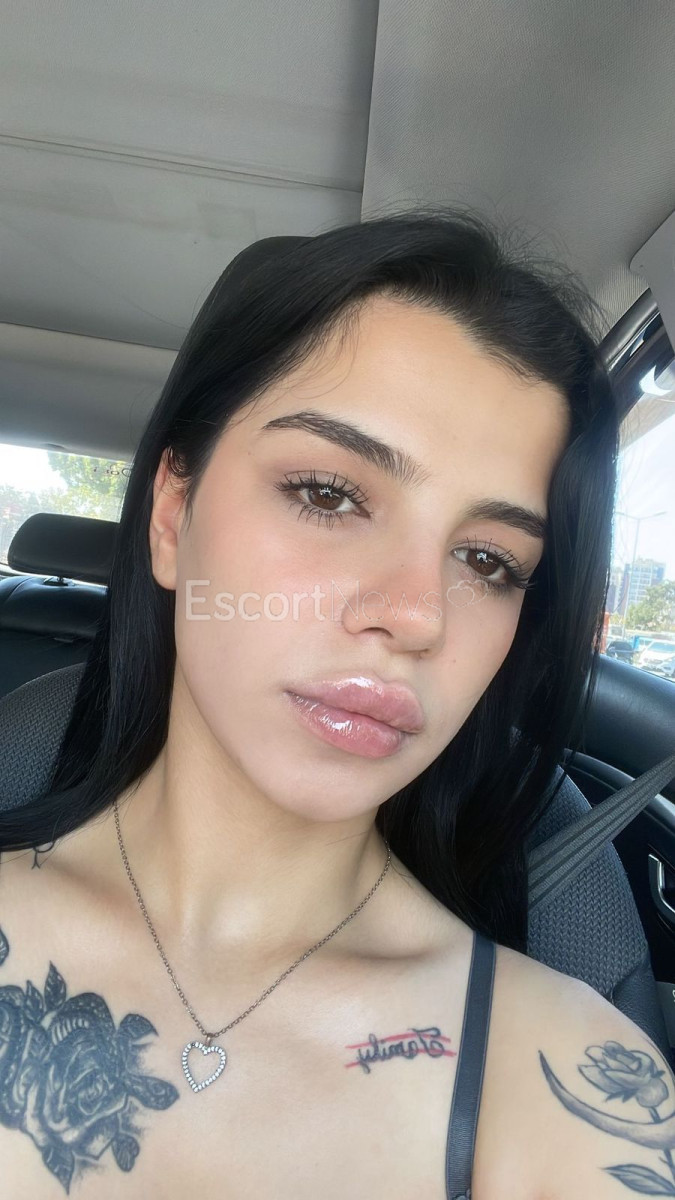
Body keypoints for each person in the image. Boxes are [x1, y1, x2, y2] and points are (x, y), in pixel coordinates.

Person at [0, 207, 673, 1199]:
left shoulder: (566, 1086)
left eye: (488, 561)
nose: (417, 615)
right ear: (174, 516)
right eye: (328, 494)